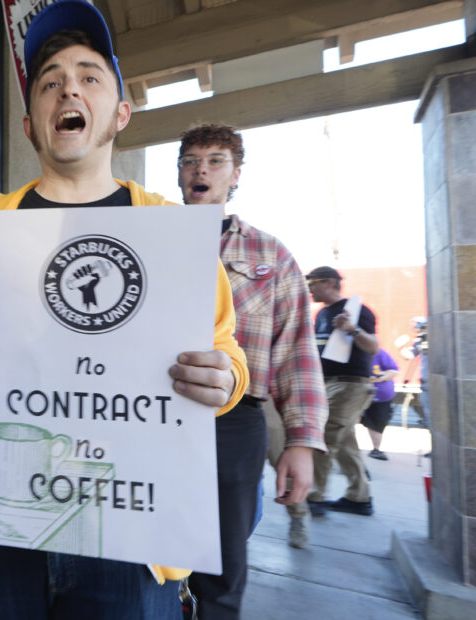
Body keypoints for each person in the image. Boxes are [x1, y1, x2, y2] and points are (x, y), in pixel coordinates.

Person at [0, 2, 249, 617]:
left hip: (131, 526)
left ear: (119, 114)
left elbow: (227, 351)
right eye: (50, 83)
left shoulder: (168, 227)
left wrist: (225, 377)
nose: (67, 88)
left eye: (89, 77)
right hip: (5, 514)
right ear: (31, 125)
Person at [176, 124, 328, 616]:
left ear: (236, 175)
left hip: (234, 420)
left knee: (221, 565)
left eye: (216, 160)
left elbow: (297, 351)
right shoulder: (148, 239)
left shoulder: (271, 255)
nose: (201, 169)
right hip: (149, 410)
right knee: (147, 548)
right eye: (191, 160)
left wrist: (301, 442)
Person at [306, 266, 379, 516]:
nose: (309, 290)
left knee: (324, 438)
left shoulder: (358, 310)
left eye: (312, 284)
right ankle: (359, 497)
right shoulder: (322, 314)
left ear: (329, 283)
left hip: (350, 385)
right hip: (328, 384)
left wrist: (352, 329)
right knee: (346, 444)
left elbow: (372, 347)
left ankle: (315, 495)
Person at [362, 348, 399, 460]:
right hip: (358, 393)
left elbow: (394, 371)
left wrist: (379, 378)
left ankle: (376, 449)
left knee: (377, 422)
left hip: (380, 395)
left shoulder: (380, 353)